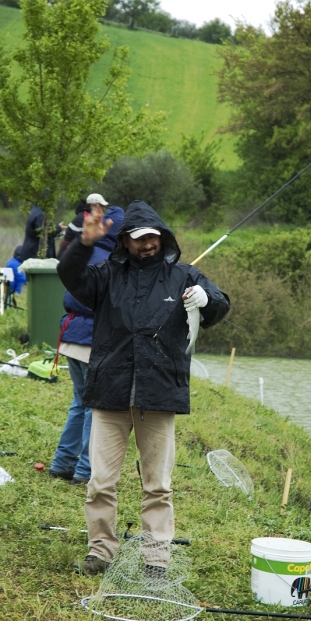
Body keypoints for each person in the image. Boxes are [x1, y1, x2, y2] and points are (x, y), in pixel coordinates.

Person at [57, 200, 230, 575]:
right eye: (138, 239)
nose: (147, 244)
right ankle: (100, 551)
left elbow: (221, 306)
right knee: (101, 482)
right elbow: (69, 276)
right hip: (110, 394)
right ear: (125, 242)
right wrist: (83, 244)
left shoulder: (184, 276)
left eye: (153, 237)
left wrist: (208, 299)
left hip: (160, 395)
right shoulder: (105, 275)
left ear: (162, 237)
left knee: (158, 485)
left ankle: (156, 558)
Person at [48, 203, 125, 485]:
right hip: (92, 341)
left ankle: (61, 464)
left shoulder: (85, 251)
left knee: (80, 403)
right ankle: (85, 471)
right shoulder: (110, 261)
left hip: (71, 337)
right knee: (95, 407)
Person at [57, 193, 109, 259]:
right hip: (68, 256)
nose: (103, 209)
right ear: (92, 206)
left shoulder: (86, 216)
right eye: (101, 206)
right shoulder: (84, 218)